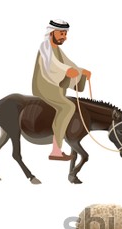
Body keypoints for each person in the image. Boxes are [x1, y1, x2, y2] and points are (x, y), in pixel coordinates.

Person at [32, 19, 91, 161]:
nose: (64, 37)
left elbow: (68, 63)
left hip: (56, 88)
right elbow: (52, 66)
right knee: (68, 107)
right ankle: (56, 150)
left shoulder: (57, 49)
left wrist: (81, 71)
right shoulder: (45, 47)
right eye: (62, 33)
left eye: (65, 34)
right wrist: (67, 70)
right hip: (44, 87)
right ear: (52, 33)